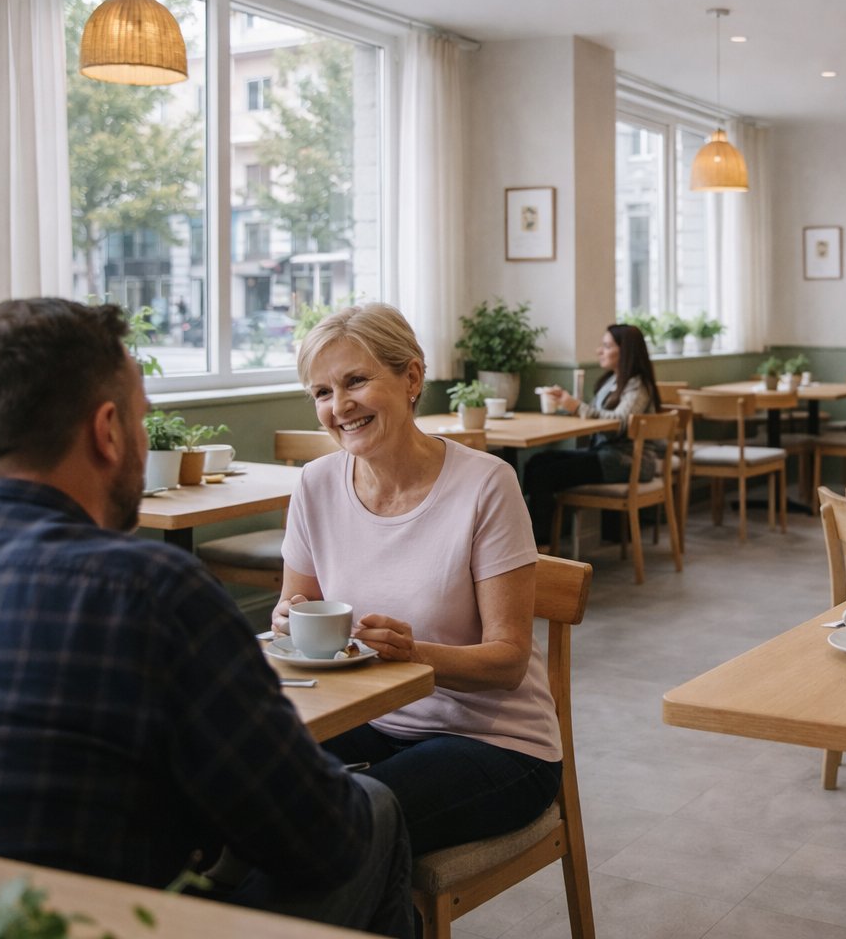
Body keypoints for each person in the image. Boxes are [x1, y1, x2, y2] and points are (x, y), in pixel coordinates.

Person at [0, 298, 412, 938]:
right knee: (373, 808)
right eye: (144, 419)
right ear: (108, 431)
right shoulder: (154, 592)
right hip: (92, 923)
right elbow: (321, 840)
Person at [272, 302, 561, 858]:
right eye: (323, 392)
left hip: (494, 741)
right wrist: (288, 620)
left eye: (356, 381)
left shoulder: (487, 484)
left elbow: (508, 662)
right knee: (242, 784)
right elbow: (293, 605)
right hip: (371, 718)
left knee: (341, 826)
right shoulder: (314, 484)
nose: (340, 406)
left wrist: (414, 655)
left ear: (411, 377)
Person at [523, 323, 665, 545]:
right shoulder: (611, 381)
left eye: (606, 346)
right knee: (536, 462)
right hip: (605, 454)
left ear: (625, 351)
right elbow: (597, 415)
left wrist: (576, 406)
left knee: (544, 473)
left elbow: (620, 422)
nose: (599, 351)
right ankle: (534, 539)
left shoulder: (638, 385)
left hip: (626, 461)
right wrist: (568, 404)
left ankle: (540, 545)